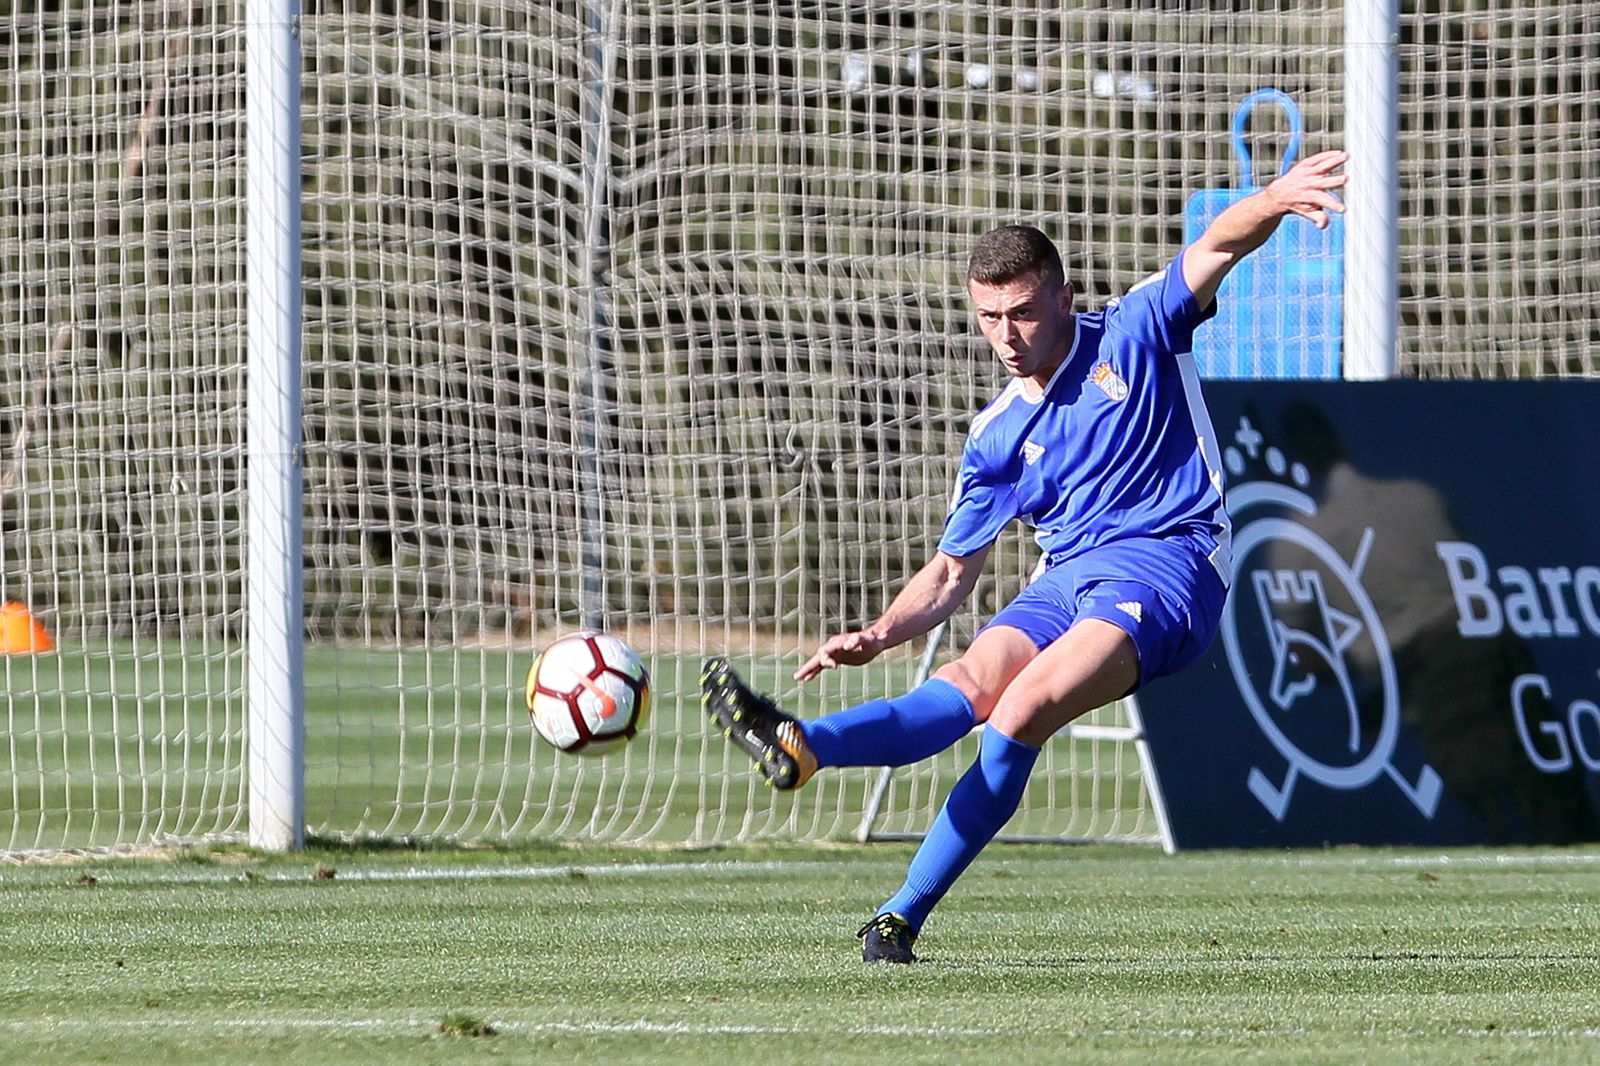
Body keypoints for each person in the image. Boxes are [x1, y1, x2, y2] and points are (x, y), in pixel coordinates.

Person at [705, 149, 1348, 963]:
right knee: (971, 685)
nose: (1007, 336)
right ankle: (805, 744)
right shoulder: (997, 434)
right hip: (1065, 579)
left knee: (1019, 711)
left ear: (1063, 296)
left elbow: (1217, 245)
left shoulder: (1137, 329)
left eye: (1022, 312)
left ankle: (901, 913)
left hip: (1168, 565)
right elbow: (949, 575)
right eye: (988, 318)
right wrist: (879, 633)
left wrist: (1273, 200)